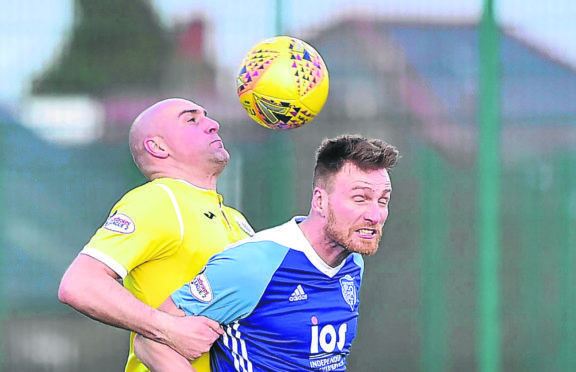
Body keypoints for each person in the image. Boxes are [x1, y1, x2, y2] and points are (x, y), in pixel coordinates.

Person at [134, 134, 400, 371]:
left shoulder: (352, 261)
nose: (375, 215)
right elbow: (149, 342)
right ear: (320, 200)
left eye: (383, 201)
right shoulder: (255, 263)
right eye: (360, 198)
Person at [58, 98, 255, 372]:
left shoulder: (236, 219)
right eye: (191, 120)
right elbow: (80, 284)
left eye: (206, 116)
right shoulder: (161, 200)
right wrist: (168, 329)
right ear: (157, 147)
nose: (213, 125)